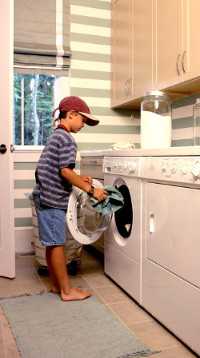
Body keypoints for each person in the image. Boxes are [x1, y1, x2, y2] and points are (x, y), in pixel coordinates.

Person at [33, 96, 107, 301]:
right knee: (58, 244)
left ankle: (57, 285)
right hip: (52, 199)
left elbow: (57, 169)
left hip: (44, 195)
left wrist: (78, 178)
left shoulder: (56, 136)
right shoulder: (67, 139)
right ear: (72, 114)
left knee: (51, 244)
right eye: (83, 120)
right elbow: (65, 171)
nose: (84, 125)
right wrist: (91, 189)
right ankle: (67, 291)